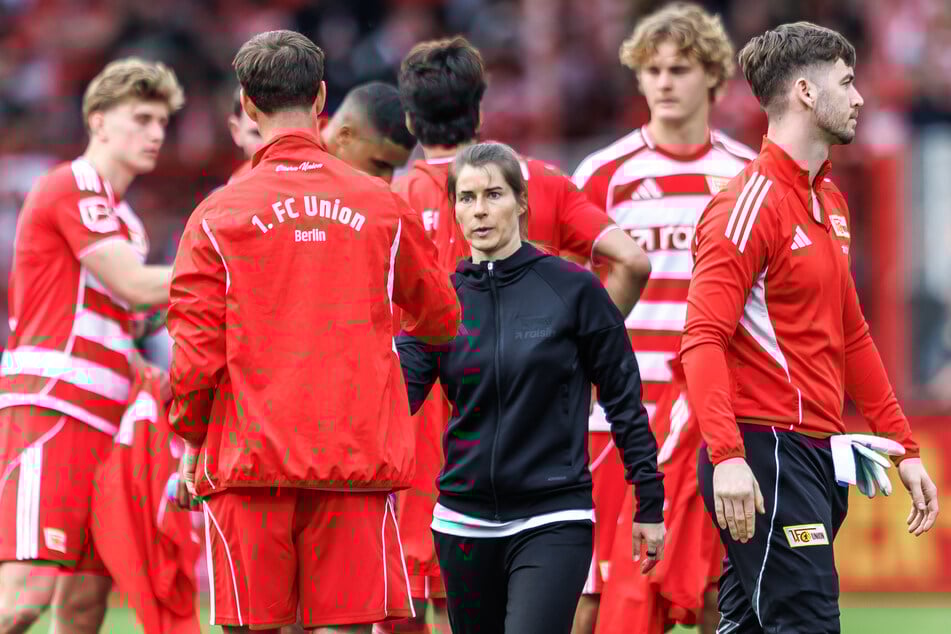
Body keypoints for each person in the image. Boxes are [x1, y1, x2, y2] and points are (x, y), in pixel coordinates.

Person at [167, 29, 460, 634]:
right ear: (322, 97)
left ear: (247, 104)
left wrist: (193, 439)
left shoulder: (216, 215)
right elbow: (441, 316)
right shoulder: (380, 205)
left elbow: (196, 355)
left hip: (248, 464)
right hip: (353, 459)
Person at [384, 36, 652, 633]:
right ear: (481, 112)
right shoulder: (543, 181)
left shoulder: (387, 202)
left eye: (491, 198)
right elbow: (631, 260)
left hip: (416, 449)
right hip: (521, 444)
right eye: (471, 200)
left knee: (400, 614)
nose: (480, 208)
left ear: (408, 120)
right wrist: (573, 353)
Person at [680, 22, 940, 633]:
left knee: (750, 626)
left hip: (818, 454)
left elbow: (853, 335)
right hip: (765, 451)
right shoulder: (748, 205)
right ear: (803, 90)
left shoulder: (830, 203)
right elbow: (702, 339)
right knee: (809, 626)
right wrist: (728, 456)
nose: (859, 99)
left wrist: (903, 445)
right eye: (847, 83)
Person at [570, 4, 756, 633]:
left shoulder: (743, 176)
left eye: (680, 67)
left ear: (713, 76)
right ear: (639, 79)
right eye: (652, 70)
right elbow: (568, 290)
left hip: (710, 410)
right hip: (617, 411)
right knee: (595, 588)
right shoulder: (604, 173)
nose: (666, 82)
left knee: (714, 587)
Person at [0, 58, 183, 634]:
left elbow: (129, 316)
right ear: (98, 121)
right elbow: (133, 283)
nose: (156, 133)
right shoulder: (73, 184)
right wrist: (230, 272)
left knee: (83, 608)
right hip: (54, 406)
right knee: (22, 597)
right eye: (142, 118)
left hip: (109, 418)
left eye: (162, 122)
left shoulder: (127, 220)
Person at [319, 81, 417, 184]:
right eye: (379, 164)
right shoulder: (301, 172)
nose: (387, 181)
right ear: (344, 136)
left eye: (394, 169)